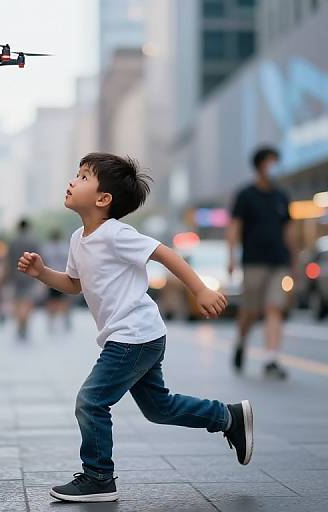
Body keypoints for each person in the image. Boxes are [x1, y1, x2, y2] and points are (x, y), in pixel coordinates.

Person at [17, 153, 253, 503]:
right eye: (76, 174)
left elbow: (165, 254)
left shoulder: (116, 234)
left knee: (91, 400)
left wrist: (201, 288)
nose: (72, 181)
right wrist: (42, 274)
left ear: (103, 199)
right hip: (134, 336)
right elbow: (72, 284)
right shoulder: (78, 239)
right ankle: (228, 417)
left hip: (134, 335)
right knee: (159, 408)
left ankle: (99, 478)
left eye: (83, 177)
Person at [227, 146, 297, 379]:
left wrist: (294, 260)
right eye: (270, 162)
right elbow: (234, 227)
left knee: (274, 308)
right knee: (251, 310)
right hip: (253, 262)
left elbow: (289, 230)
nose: (274, 167)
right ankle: (241, 341)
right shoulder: (246, 195)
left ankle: (271, 359)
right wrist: (231, 257)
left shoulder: (281, 196)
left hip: (278, 262)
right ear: (260, 165)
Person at [6, 219, 41, 340]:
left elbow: (9, 260)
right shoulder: (33, 241)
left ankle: (20, 322)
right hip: (30, 275)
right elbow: (39, 259)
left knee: (18, 301)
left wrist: (8, 276)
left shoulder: (13, 241)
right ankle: (24, 322)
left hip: (16, 274)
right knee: (27, 300)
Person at [42, 229, 72, 333]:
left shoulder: (47, 248)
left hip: (51, 277)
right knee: (64, 300)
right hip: (64, 276)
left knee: (51, 301)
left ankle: (51, 320)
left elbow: (43, 263)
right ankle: (66, 319)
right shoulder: (65, 247)